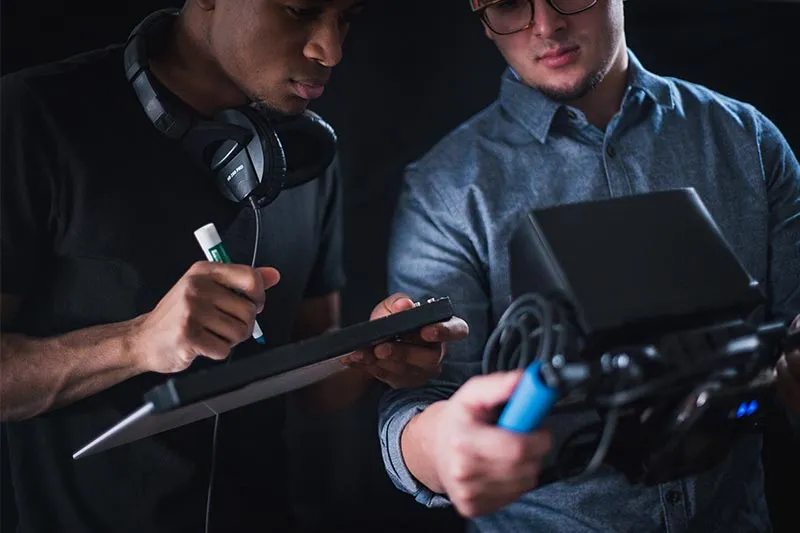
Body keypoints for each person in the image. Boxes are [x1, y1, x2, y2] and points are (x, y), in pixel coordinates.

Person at [0, 1, 468, 532]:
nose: (330, 50)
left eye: (346, 19)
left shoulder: (303, 153)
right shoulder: (33, 115)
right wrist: (135, 343)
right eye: (299, 10)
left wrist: (379, 350)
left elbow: (315, 386)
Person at [377, 0, 800, 532]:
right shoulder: (443, 190)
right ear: (479, 17)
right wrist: (438, 448)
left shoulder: (749, 142)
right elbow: (422, 401)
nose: (547, 26)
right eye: (510, 4)